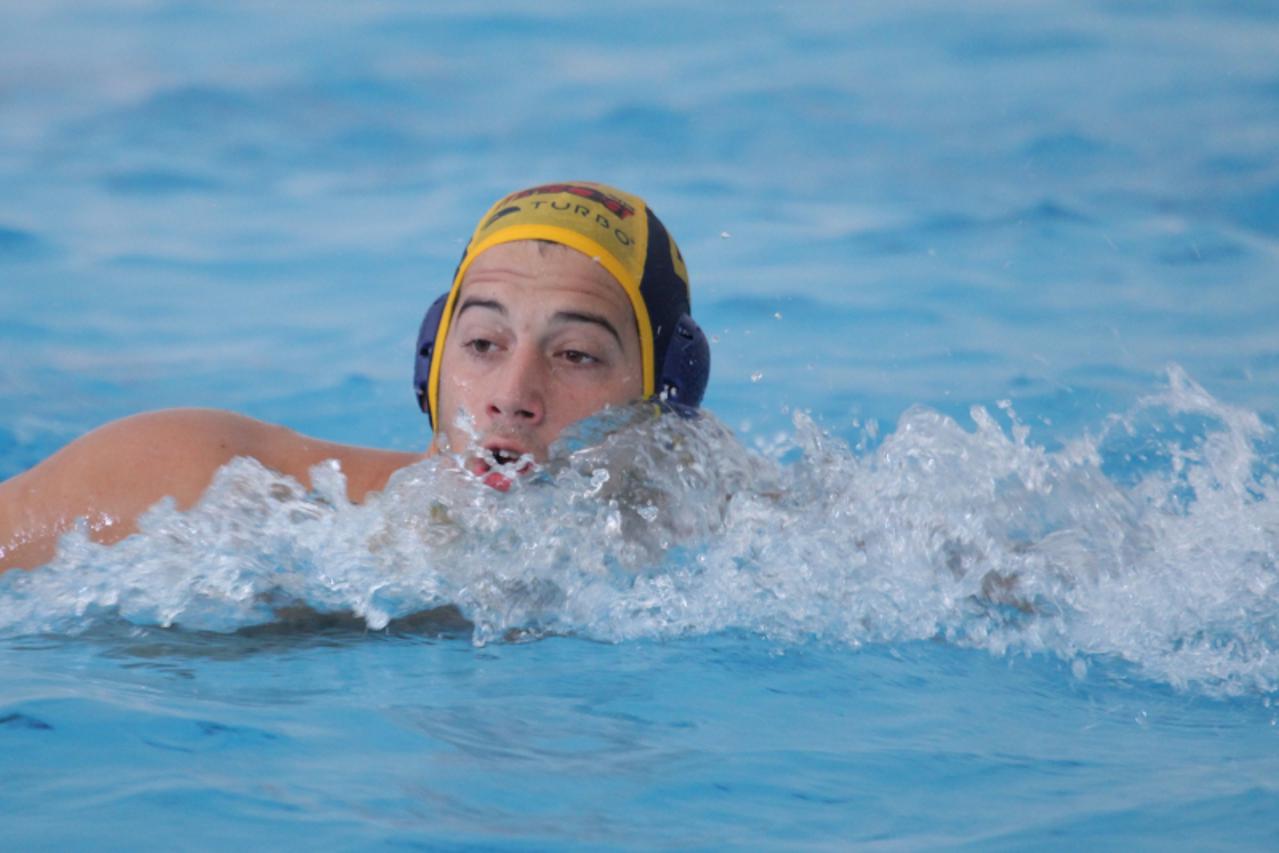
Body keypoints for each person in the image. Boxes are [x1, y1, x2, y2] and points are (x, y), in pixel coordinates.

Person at [0, 181, 710, 573]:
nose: (512, 397)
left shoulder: (722, 542)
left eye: (575, 354)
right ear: (431, 365)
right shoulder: (209, 487)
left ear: (665, 397)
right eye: (483, 343)